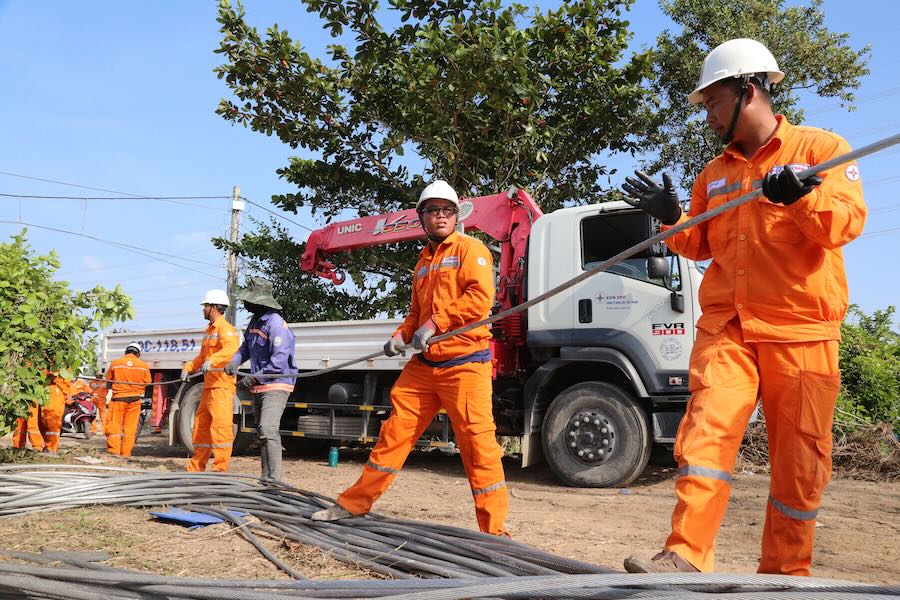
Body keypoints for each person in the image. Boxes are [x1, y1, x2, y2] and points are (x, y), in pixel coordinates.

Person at [620, 38, 866, 576]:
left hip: (801, 332)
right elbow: (700, 244)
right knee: (705, 433)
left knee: (799, 465)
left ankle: (783, 576)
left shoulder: (822, 150)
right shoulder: (713, 175)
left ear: (746, 91)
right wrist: (669, 219)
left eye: (712, 102)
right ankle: (685, 555)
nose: (706, 115)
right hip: (728, 328)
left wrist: (802, 196)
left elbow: (845, 225)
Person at [311, 180, 509, 536]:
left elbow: (480, 298)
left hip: (465, 363)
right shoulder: (422, 263)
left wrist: (436, 323)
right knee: (393, 436)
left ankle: (494, 535)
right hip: (426, 366)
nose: (441, 216)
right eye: (433, 210)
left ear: (456, 215)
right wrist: (399, 336)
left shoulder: (471, 249)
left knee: (479, 446)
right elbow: (415, 315)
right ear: (422, 217)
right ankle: (354, 505)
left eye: (447, 210)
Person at [224, 277, 297, 481]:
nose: (246, 304)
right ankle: (265, 479)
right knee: (261, 433)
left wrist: (254, 378)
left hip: (276, 383)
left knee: (268, 428)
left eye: (249, 300)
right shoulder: (255, 322)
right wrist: (234, 362)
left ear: (260, 302)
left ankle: (274, 481)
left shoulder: (275, 324)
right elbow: (245, 348)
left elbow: (279, 361)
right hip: (261, 385)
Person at [182, 289, 239, 472]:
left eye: (205, 306)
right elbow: (202, 356)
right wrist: (189, 367)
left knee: (220, 428)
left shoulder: (226, 329)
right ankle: (196, 467)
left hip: (221, 386)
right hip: (209, 387)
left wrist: (212, 360)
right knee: (201, 427)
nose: (203, 310)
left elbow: (231, 350)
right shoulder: (209, 331)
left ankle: (220, 470)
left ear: (213, 307)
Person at [104, 343, 151, 456]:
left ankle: (114, 451)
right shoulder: (143, 365)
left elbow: (108, 380)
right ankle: (126, 453)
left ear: (126, 351)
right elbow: (148, 382)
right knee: (130, 428)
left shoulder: (115, 363)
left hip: (118, 399)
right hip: (135, 400)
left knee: (115, 426)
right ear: (138, 353)